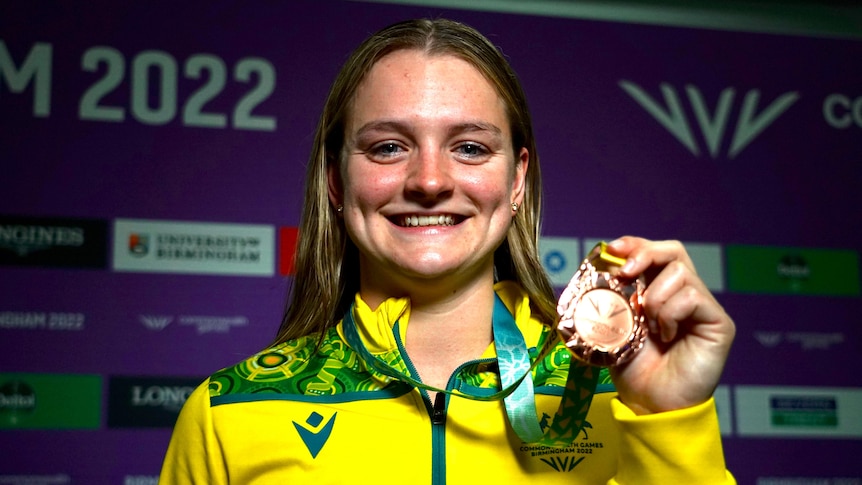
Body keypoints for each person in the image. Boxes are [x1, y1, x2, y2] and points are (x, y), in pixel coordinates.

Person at [159, 18, 736, 484]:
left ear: (516, 181)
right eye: (388, 147)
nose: (430, 181)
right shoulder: (229, 413)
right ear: (336, 182)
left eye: (469, 147)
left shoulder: (620, 396)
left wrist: (667, 421)